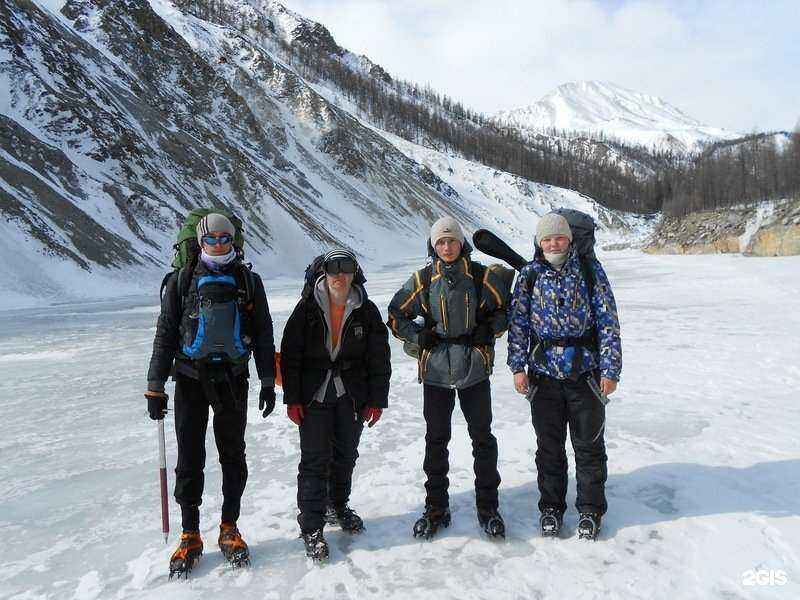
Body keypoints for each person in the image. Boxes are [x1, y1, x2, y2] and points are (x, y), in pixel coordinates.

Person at [145, 213, 276, 577]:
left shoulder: (249, 281)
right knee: (190, 457)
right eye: (211, 239)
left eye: (225, 239)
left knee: (233, 455)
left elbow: (263, 332)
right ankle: (190, 532)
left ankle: (228, 525)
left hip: (233, 379)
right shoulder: (180, 281)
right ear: (199, 242)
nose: (219, 245)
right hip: (189, 378)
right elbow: (166, 334)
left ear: (234, 242)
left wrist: (267, 379)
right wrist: (155, 386)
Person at [387, 216, 512, 540]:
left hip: (473, 368)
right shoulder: (424, 279)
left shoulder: (481, 276)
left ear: (461, 244)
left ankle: (488, 508)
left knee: (482, 439)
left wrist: (490, 328)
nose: (446, 247)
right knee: (436, 441)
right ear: (433, 246)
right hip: (437, 371)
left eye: (451, 241)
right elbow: (395, 314)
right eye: (440, 242)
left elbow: (506, 310)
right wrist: (418, 336)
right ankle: (436, 508)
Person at [507, 212, 622, 541]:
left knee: (588, 447)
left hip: (585, 373)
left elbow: (608, 321)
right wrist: (517, 368)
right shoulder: (529, 275)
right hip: (543, 376)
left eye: (559, 237)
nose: (553, 243)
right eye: (547, 238)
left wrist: (611, 369)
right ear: (539, 243)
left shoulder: (589, 271)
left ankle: (590, 509)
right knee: (549, 447)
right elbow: (518, 325)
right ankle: (551, 508)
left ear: (570, 240)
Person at [280, 249, 391, 561]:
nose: (339, 276)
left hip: (351, 394)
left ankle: (337, 505)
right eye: (333, 269)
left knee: (345, 455)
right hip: (315, 395)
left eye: (346, 269)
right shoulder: (306, 310)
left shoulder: (366, 311)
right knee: (315, 461)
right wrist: (293, 399)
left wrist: (376, 400)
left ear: (355, 273)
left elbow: (379, 358)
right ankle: (311, 526)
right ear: (323, 273)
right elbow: (290, 358)